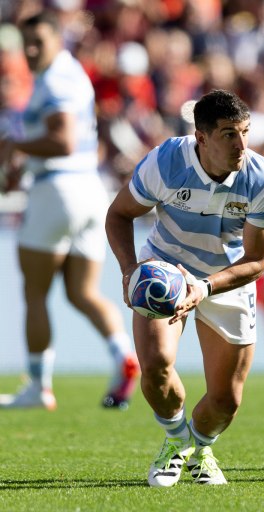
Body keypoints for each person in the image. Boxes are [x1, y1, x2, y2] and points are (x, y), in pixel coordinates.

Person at [105, 89, 264, 487]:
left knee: (226, 400)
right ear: (201, 137)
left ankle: (200, 448)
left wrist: (205, 287)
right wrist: (130, 269)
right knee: (155, 366)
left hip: (226, 278)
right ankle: (174, 441)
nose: (241, 144)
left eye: (245, 132)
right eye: (228, 134)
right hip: (164, 270)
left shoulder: (262, 178)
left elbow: (258, 260)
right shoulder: (167, 162)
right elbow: (118, 214)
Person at [0, 10, 138, 411]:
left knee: (35, 291)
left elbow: (62, 141)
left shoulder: (57, 79)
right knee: (82, 292)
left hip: (56, 189)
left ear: (58, 41)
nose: (29, 51)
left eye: (37, 42)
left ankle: (38, 387)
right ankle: (124, 357)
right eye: (25, 43)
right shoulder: (68, 74)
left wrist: (14, 148)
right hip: (89, 191)